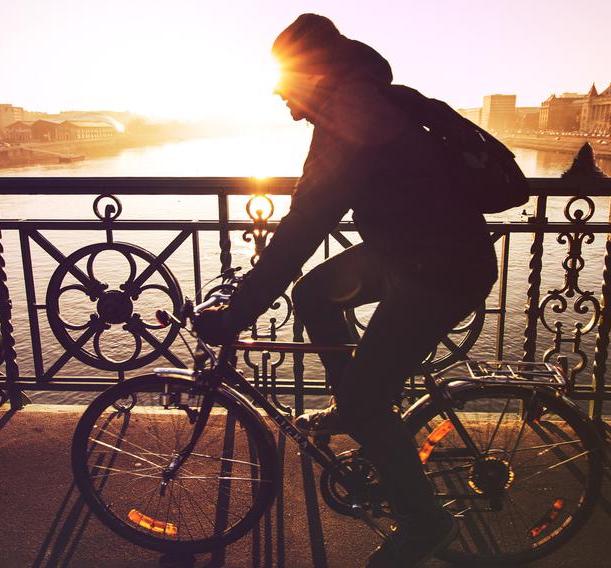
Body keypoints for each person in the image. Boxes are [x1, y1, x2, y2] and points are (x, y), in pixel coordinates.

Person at [195, 13, 497, 567]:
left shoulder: (352, 115)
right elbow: (307, 221)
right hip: (412, 250)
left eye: (284, 87)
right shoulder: (362, 100)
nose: (282, 102)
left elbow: (306, 224)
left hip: (441, 269)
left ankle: (423, 522)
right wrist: (252, 290)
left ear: (312, 76)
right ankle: (355, 405)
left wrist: (237, 314)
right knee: (314, 294)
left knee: (365, 401)